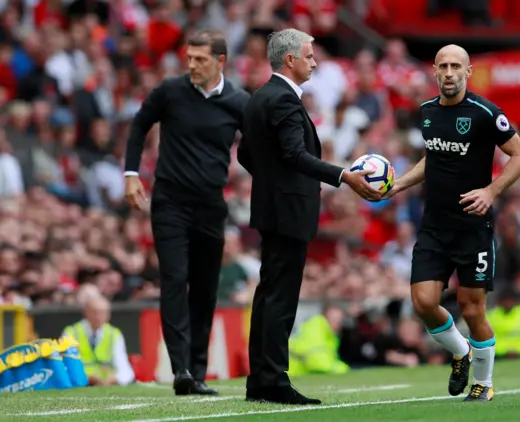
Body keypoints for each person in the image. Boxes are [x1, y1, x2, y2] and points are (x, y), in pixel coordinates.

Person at [237, 28, 380, 405]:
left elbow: (246, 157)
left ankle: (261, 380)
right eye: (309, 55)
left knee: (268, 295)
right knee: (280, 298)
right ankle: (274, 381)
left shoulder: (259, 97)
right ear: (290, 60)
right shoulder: (283, 100)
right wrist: (342, 176)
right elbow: (294, 155)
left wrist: (271, 185)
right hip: (289, 211)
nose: (314, 61)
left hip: (272, 208)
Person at [383, 44, 520, 402]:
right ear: (434, 71)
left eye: (456, 67)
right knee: (422, 301)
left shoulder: (485, 112)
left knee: (471, 307)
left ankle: (483, 382)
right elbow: (432, 157)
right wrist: (400, 183)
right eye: (443, 66)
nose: (449, 73)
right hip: (434, 226)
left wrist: (492, 191)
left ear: (468, 71)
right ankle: (461, 351)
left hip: (473, 229)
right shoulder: (427, 111)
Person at [123, 30, 250, 396]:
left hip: (211, 206)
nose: (191, 64)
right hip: (170, 203)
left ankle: (197, 371)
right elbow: (138, 125)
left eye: (200, 59)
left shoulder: (240, 102)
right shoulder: (170, 91)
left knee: (206, 290)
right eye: (189, 57)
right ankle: (180, 370)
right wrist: (132, 174)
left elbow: (256, 147)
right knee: (175, 279)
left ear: (220, 62)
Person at [62, 295, 135, 386]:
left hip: (106, 384)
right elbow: (65, 366)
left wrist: (115, 378)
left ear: (109, 314)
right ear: (85, 313)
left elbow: (124, 368)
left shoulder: (114, 334)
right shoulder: (71, 332)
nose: (98, 316)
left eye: (102, 312)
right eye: (94, 312)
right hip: (80, 383)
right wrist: (86, 377)